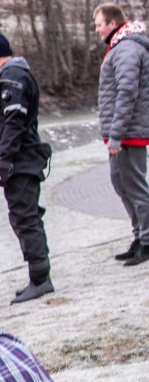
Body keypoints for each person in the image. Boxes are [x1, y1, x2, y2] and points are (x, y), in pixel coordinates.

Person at [0, 32, 55, 303]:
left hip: (21, 160)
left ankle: (40, 278)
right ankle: (39, 275)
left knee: (25, 217)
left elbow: (13, 123)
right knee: (25, 215)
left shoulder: (13, 78)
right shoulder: (12, 75)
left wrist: (4, 161)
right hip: (22, 158)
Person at [94, 3, 149, 267]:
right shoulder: (118, 47)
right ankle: (139, 236)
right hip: (121, 133)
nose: (97, 29)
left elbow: (127, 93)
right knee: (120, 183)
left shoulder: (127, 48)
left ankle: (147, 241)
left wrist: (115, 134)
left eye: (99, 24)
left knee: (135, 187)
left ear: (112, 23)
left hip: (129, 133)